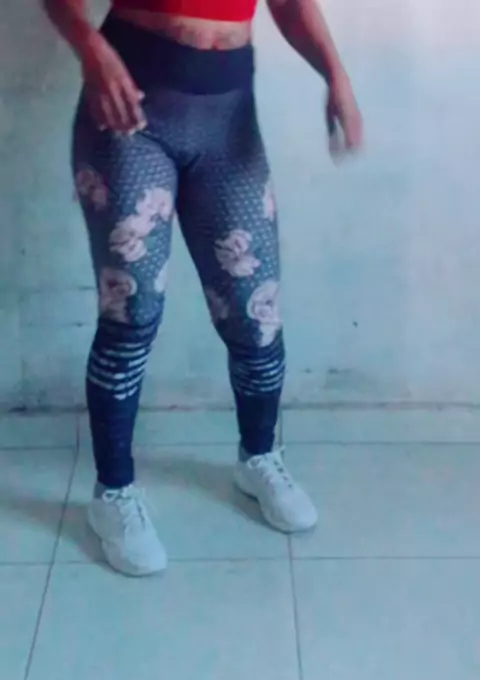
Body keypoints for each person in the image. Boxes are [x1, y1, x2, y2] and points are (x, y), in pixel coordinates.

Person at [42, 0, 363, 576]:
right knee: (132, 312)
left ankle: (258, 456)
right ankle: (113, 492)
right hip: (129, 113)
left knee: (254, 312)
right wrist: (89, 48)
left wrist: (335, 74)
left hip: (228, 119)